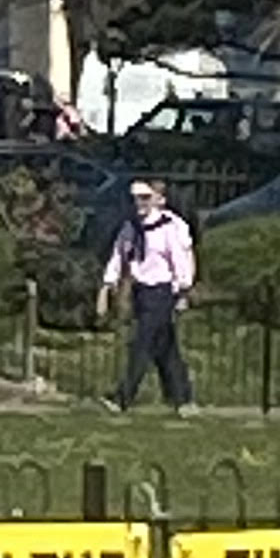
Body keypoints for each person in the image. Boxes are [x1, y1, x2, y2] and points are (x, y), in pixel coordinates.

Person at [101, 175, 196, 410]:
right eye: (136, 198)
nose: (139, 203)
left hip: (161, 292)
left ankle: (123, 397)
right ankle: (182, 397)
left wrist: (183, 289)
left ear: (156, 200)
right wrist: (108, 283)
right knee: (165, 347)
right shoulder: (131, 227)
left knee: (142, 343)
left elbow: (180, 259)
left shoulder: (168, 227)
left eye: (145, 198)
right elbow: (119, 254)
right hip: (141, 291)